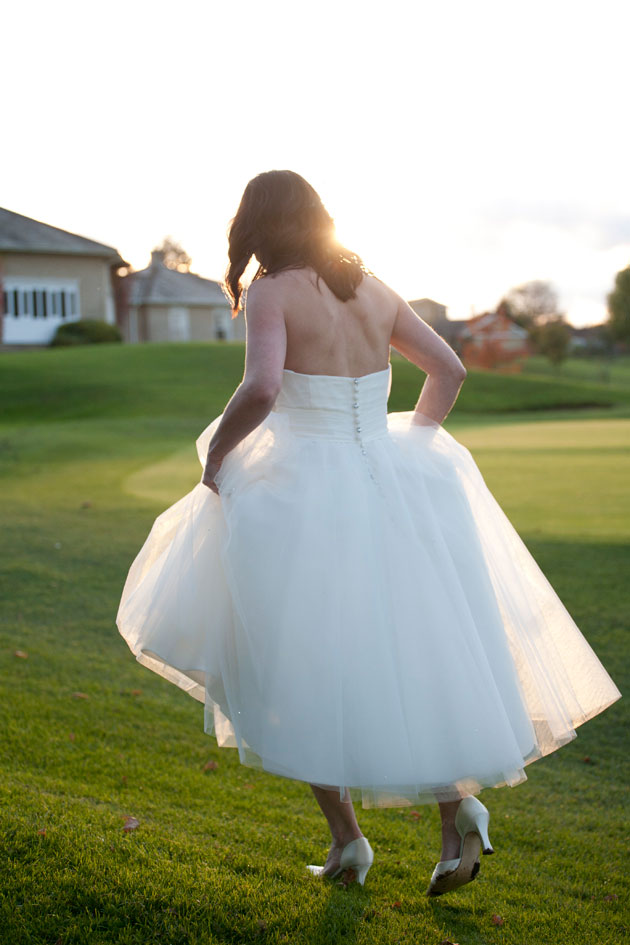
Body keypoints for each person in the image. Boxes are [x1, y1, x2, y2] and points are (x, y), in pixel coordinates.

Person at [116, 169, 622, 896]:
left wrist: (217, 457)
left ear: (255, 225)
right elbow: (447, 369)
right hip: (390, 485)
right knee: (404, 653)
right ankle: (456, 813)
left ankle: (349, 837)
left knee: (291, 669)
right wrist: (411, 444)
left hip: (299, 497)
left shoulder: (271, 290)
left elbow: (261, 388)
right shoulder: (375, 289)